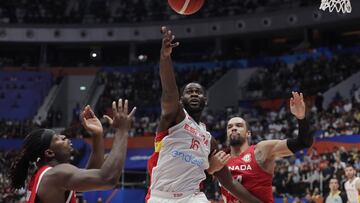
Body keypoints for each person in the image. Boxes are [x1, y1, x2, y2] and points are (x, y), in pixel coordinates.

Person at [145, 26, 261, 203]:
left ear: (206, 100)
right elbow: (169, 91)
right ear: (181, 100)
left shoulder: (209, 140)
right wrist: (165, 57)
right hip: (161, 196)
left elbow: (229, 182)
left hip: (192, 196)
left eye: (198, 92)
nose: (193, 94)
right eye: (189, 92)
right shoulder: (173, 117)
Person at [10, 100, 136, 203]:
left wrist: (97, 135)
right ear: (49, 153)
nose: (65, 137)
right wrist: (122, 130)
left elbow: (89, 176)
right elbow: (108, 178)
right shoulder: (57, 174)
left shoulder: (48, 176)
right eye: (58, 138)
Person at [219, 92, 314, 203]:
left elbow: (303, 142)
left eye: (239, 126)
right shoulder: (221, 159)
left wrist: (301, 117)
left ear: (248, 133)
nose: (234, 128)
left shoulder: (261, 150)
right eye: (230, 127)